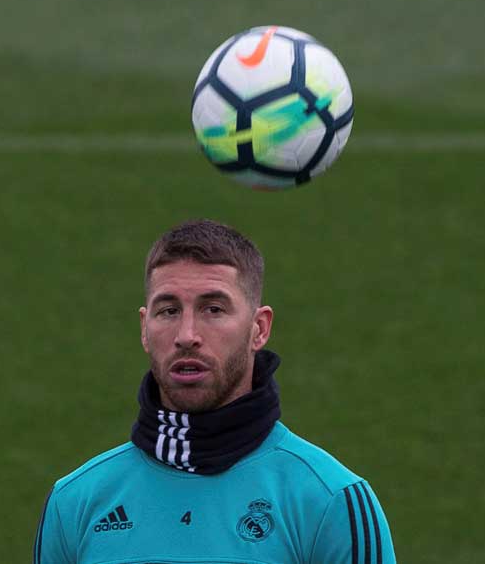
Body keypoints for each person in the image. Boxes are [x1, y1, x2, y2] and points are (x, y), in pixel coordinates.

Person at [34, 219, 396, 563]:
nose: (187, 335)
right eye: (169, 310)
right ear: (145, 328)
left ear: (259, 328)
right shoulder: (76, 502)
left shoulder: (331, 501)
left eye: (213, 309)